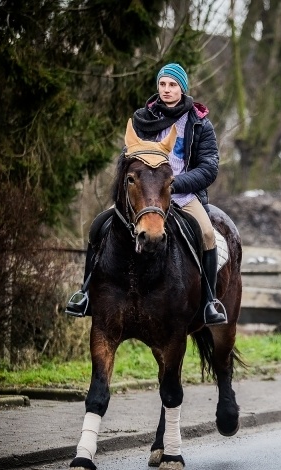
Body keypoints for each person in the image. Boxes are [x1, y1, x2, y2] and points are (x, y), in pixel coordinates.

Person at [66, 63, 227, 325]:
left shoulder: (199, 123)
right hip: (142, 195)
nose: (166, 89)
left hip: (181, 194)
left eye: (172, 85)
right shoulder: (142, 119)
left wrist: (175, 184)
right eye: (162, 84)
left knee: (207, 234)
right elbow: (125, 159)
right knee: (98, 226)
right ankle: (84, 294)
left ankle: (209, 301)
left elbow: (209, 168)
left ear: (182, 88)